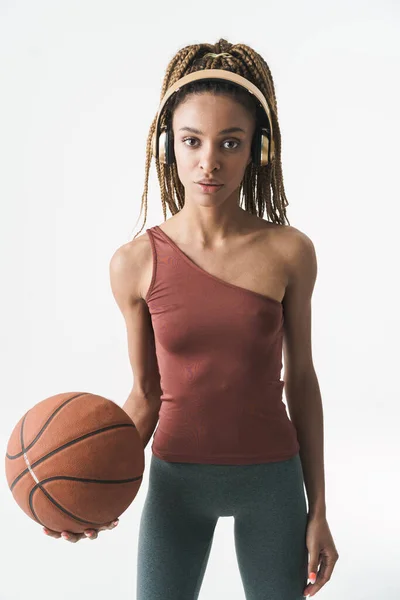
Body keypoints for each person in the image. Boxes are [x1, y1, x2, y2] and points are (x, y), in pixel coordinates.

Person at [50, 38, 339, 599]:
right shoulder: (134, 263)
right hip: (176, 483)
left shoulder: (290, 252)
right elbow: (144, 395)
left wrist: (320, 507)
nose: (210, 162)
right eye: (192, 141)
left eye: (231, 143)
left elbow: (301, 379)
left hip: (272, 481)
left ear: (258, 149)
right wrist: (92, 491)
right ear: (168, 147)